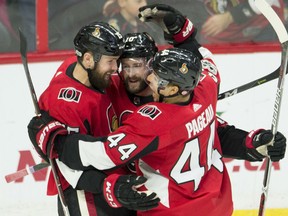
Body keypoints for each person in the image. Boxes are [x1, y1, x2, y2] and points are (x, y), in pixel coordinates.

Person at [27, 4, 286, 216]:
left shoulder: (154, 120)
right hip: (208, 202)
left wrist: (51, 139)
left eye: (140, 66)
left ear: (154, 64)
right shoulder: (203, 87)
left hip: (170, 206)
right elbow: (203, 61)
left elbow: (101, 153)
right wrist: (252, 143)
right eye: (123, 65)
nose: (132, 74)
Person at [28, 21, 159, 216]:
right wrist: (108, 186)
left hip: (114, 179)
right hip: (88, 195)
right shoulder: (67, 104)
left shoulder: (86, 70)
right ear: (88, 59)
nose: (116, 69)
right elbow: (69, 164)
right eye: (110, 61)